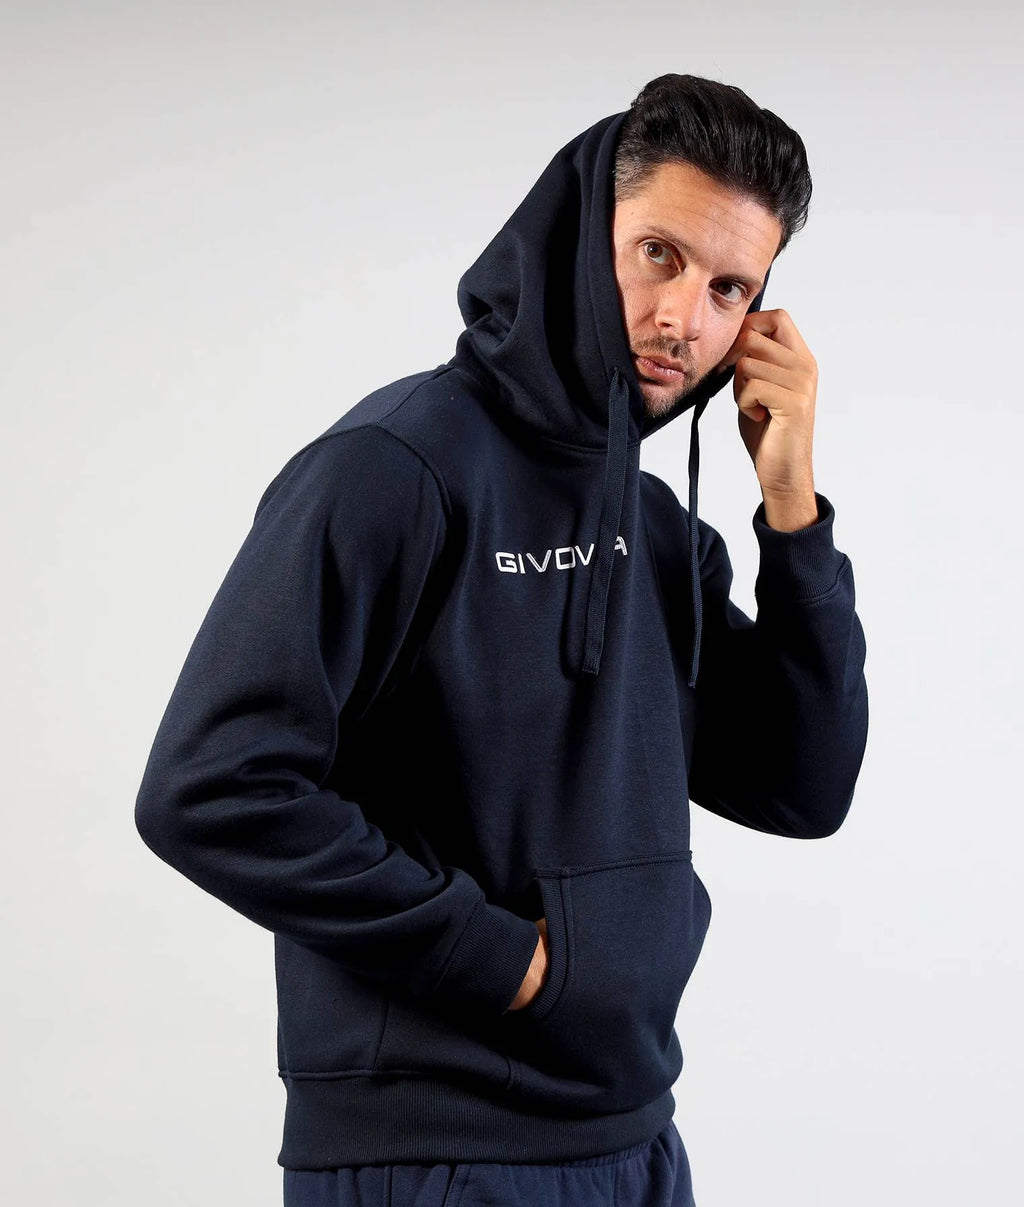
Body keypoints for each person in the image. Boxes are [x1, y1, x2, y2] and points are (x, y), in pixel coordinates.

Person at [134, 73, 869, 1206]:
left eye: (730, 287)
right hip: (435, 1154)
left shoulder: (653, 527)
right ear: (581, 235)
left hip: (634, 1138)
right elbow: (210, 787)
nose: (685, 319)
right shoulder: (394, 470)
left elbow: (802, 786)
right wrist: (507, 962)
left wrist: (792, 511)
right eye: (659, 255)